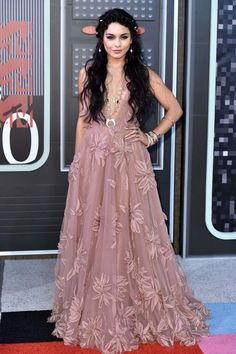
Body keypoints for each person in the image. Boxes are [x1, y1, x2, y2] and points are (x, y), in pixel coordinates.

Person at [48, 8, 210, 354]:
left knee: (130, 229)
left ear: (132, 38)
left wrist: (152, 136)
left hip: (128, 160)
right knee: (94, 229)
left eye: (124, 37)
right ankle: (94, 303)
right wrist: (77, 164)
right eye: (111, 37)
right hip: (93, 158)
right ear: (101, 39)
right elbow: (82, 119)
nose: (117, 43)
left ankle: (137, 303)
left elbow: (175, 109)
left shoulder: (143, 74)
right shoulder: (88, 72)